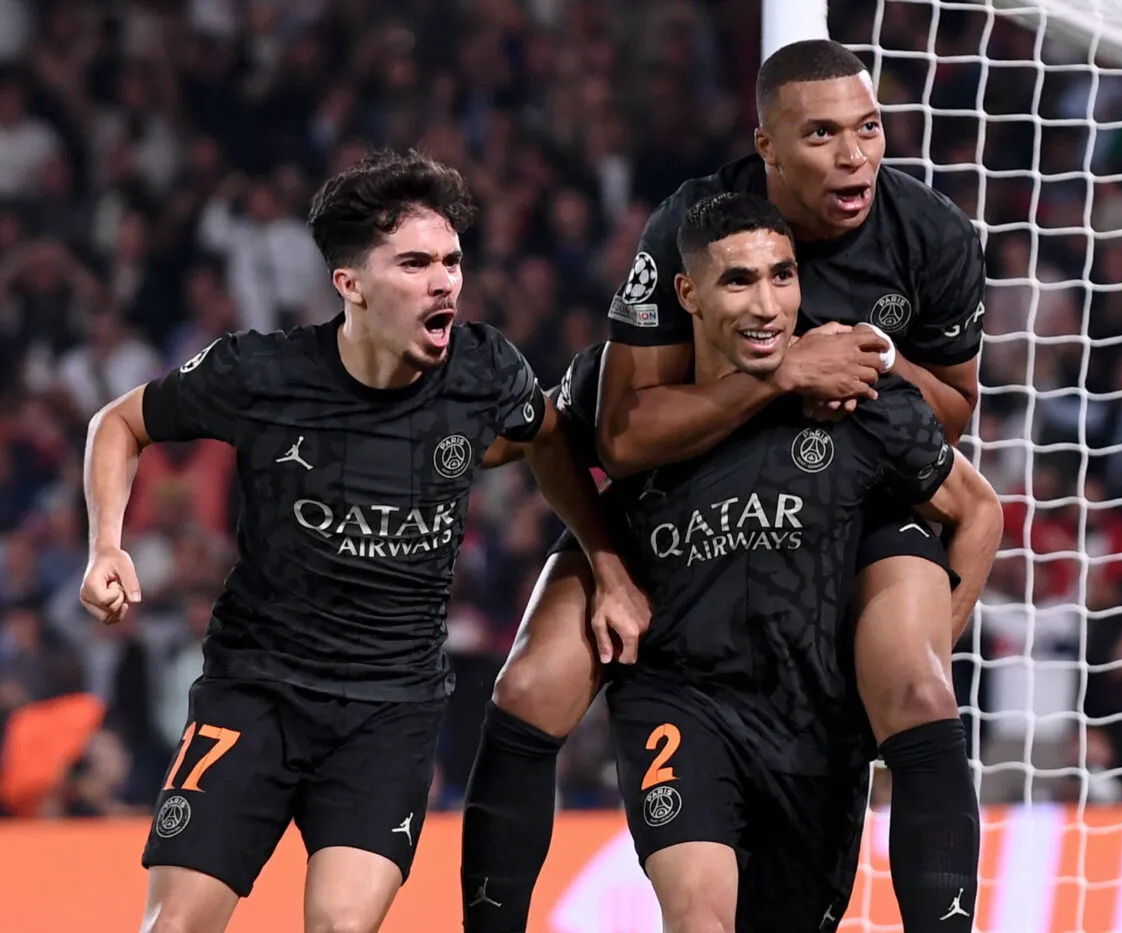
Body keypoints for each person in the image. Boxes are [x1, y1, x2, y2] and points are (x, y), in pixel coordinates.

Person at [461, 39, 988, 932]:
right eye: (822, 134)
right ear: (768, 145)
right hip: (680, 515)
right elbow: (617, 436)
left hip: (849, 496)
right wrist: (778, 375)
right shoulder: (694, 222)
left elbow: (955, 429)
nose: (855, 154)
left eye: (868, 128)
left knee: (918, 686)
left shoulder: (930, 236)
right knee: (529, 686)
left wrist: (875, 358)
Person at [78, 150, 647, 933]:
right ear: (350, 284)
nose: (444, 280)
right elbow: (119, 422)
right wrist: (106, 544)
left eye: (451, 260)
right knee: (174, 928)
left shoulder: (485, 371)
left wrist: (609, 566)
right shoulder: (262, 374)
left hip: (391, 711)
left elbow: (548, 441)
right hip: (255, 693)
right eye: (414, 263)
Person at [610, 192, 1001, 933]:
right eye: (739, 281)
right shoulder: (642, 408)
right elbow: (574, 453)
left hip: (811, 721)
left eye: (782, 277)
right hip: (680, 699)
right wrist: (603, 574)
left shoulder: (860, 396)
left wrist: (922, 656)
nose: (767, 304)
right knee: (697, 915)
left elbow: (979, 513)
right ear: (688, 293)